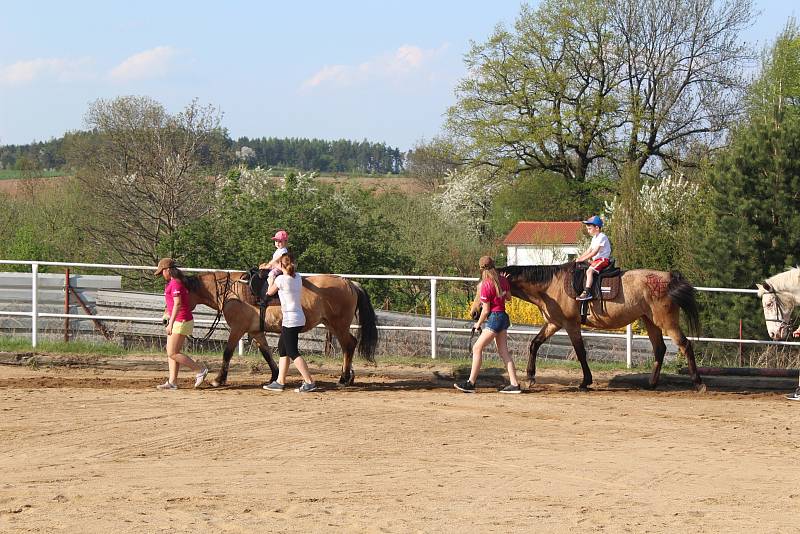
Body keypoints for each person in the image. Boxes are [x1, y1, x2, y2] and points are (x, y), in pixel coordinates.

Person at [454, 256, 522, 394]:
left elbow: (485, 310)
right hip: (503, 317)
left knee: (477, 348)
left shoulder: (486, 285)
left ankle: (471, 383)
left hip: (495, 318)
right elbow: (508, 298)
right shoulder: (503, 280)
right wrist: (503, 290)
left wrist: (477, 325)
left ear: (481, 269)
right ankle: (514, 384)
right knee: (504, 352)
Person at [262, 253, 318, 393]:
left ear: (282, 266)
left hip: (290, 320)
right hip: (298, 318)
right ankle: (280, 381)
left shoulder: (280, 279)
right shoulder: (297, 277)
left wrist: (271, 279)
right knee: (283, 347)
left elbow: (269, 292)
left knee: (292, 352)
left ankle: (309, 381)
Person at [153, 258, 208, 390]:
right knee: (172, 352)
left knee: (172, 352)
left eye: (162, 272)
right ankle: (172, 382)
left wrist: (170, 323)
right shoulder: (175, 282)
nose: (162, 275)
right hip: (180, 319)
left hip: (180, 320)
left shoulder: (176, 284)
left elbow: (178, 304)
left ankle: (200, 370)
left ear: (168, 270)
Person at [575, 215, 612, 301]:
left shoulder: (602, 237)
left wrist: (582, 259)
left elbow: (594, 252)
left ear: (597, 228)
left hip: (603, 260)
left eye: (590, 228)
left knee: (589, 271)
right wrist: (579, 258)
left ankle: (587, 292)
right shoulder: (594, 238)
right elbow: (588, 250)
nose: (588, 231)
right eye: (587, 229)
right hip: (596, 260)